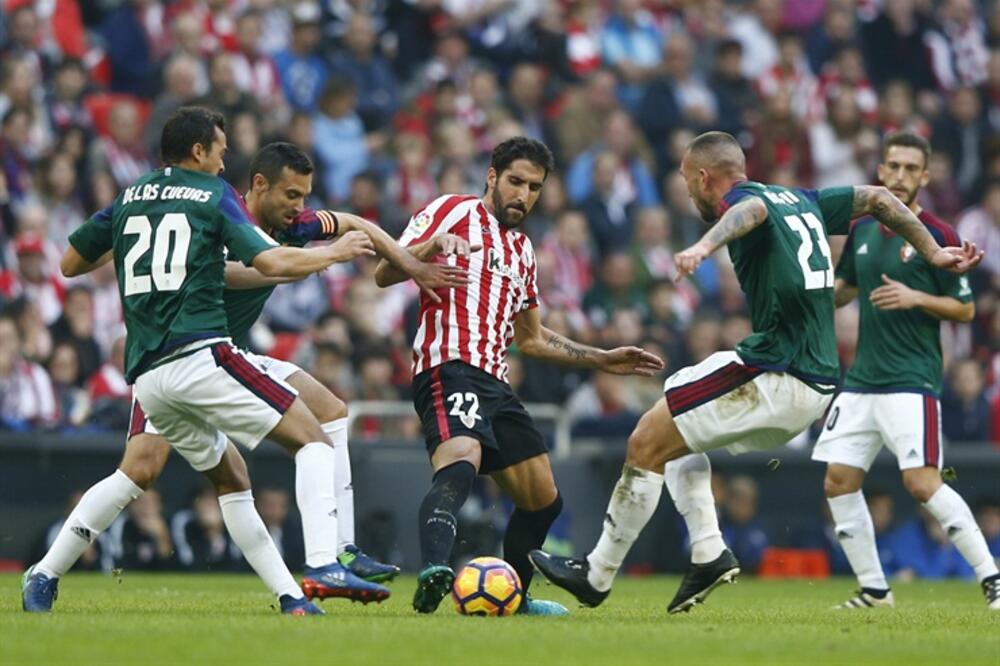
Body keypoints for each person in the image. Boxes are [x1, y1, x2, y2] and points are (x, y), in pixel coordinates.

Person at [20, 107, 455, 616]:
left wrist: (413, 261)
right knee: (305, 437)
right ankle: (322, 563)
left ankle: (297, 590)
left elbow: (70, 263)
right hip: (199, 351)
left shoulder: (132, 196)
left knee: (277, 446)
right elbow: (257, 266)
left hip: (154, 365)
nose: (224, 165)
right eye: (221, 153)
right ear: (206, 155)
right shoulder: (217, 200)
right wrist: (326, 258)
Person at [527, 130, 982, 614]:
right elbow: (878, 198)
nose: (687, 193)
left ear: (705, 178)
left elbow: (749, 214)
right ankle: (707, 552)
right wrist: (934, 252)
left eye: (686, 183)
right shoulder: (800, 199)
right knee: (675, 405)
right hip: (813, 380)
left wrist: (704, 247)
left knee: (644, 440)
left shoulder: (745, 201)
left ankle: (597, 574)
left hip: (777, 371)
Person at [374, 136, 664, 616]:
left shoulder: (524, 251)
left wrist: (601, 358)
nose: (523, 195)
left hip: (496, 381)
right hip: (447, 365)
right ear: (491, 176)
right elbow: (384, 272)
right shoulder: (451, 210)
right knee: (461, 460)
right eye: (515, 182)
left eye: (534, 187)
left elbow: (530, 338)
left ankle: (514, 597)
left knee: (543, 499)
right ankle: (433, 571)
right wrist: (428, 248)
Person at [811, 131, 999, 610]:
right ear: (880, 171)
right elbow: (846, 289)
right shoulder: (865, 229)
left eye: (910, 168)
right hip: (862, 380)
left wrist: (915, 297)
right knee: (838, 480)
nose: (899, 176)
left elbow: (965, 310)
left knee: (920, 483)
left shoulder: (938, 233)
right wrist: (810, 291)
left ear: (926, 176)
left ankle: (993, 578)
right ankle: (875, 590)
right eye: (893, 166)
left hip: (911, 380)